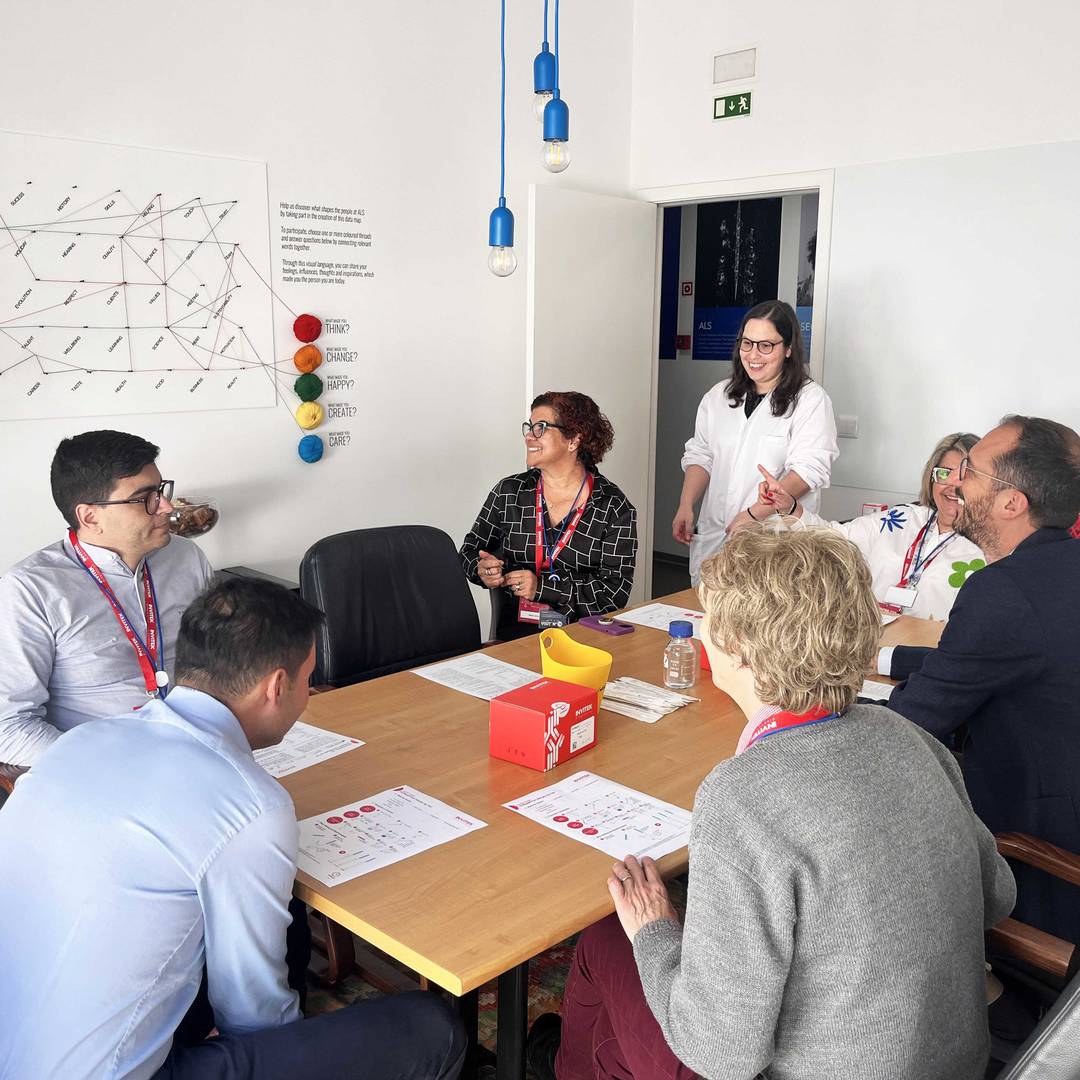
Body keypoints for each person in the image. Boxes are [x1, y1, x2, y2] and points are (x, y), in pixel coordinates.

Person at [529, 526, 1015, 1080]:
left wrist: (656, 929)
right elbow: (998, 894)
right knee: (618, 1037)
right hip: (954, 1060)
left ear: (737, 648)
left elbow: (720, 1055)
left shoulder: (743, 796)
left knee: (610, 940)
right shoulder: (907, 733)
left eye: (708, 617)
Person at [0, 577, 466, 1080]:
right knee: (431, 1026)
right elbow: (253, 1011)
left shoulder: (80, 740)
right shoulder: (249, 806)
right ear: (277, 687)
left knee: (277, 924)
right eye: (308, 681)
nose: (309, 695)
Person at [884, 416, 1080, 942]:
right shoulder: (1058, 572)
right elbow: (983, 665)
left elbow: (909, 727)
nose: (953, 483)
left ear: (1011, 502)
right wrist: (883, 660)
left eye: (969, 471)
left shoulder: (1004, 592)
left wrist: (799, 706)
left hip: (1037, 863)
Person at [0, 429, 214, 768]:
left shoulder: (185, 558)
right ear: (89, 517)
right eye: (146, 497)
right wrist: (107, 764)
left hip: (197, 748)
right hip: (101, 769)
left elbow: (218, 662)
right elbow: (8, 728)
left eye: (161, 490)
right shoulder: (30, 590)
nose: (167, 507)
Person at [672, 299, 838, 583]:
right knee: (707, 618)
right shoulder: (719, 396)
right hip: (717, 531)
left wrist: (753, 514)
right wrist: (686, 504)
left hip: (774, 539)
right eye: (747, 343)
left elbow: (808, 472)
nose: (753, 354)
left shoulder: (810, 400)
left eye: (766, 345)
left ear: (788, 349)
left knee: (765, 619)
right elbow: (701, 455)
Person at [460, 391, 637, 640]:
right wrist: (481, 570)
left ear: (574, 439)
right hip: (514, 639)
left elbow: (613, 594)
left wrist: (543, 588)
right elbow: (468, 552)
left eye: (540, 428)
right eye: (529, 428)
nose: (528, 437)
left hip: (584, 638)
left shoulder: (612, 507)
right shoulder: (510, 493)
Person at [754, 431, 985, 620]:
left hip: (930, 656)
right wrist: (789, 507)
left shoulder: (990, 545)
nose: (953, 487)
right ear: (932, 479)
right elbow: (831, 538)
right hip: (868, 642)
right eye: (944, 474)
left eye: (965, 477)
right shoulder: (902, 519)